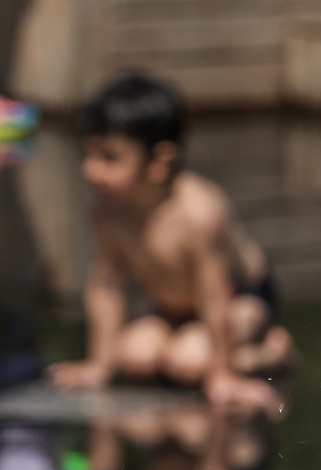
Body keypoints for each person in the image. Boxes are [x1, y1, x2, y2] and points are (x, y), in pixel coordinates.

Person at [47, 73, 294, 408]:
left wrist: (222, 375)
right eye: (88, 155)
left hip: (239, 298)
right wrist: (99, 365)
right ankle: (194, 347)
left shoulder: (198, 212)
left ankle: (270, 353)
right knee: (133, 355)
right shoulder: (108, 213)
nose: (91, 170)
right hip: (172, 307)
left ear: (160, 163)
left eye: (109, 157)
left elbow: (214, 293)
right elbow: (107, 286)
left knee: (188, 362)